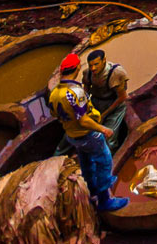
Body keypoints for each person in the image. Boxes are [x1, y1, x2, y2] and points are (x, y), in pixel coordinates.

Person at [48, 54, 126, 212]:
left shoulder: (55, 93)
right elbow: (83, 120)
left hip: (72, 135)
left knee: (86, 163)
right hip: (88, 134)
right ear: (77, 68)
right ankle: (105, 201)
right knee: (104, 163)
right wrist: (102, 128)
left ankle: (92, 192)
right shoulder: (76, 92)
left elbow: (55, 115)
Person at [81, 49, 130, 142]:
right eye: (90, 65)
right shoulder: (88, 73)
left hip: (115, 105)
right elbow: (86, 91)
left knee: (108, 136)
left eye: (96, 64)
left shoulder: (115, 73)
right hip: (96, 101)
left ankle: (112, 153)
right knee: (86, 131)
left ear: (104, 60)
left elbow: (122, 97)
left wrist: (104, 115)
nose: (93, 68)